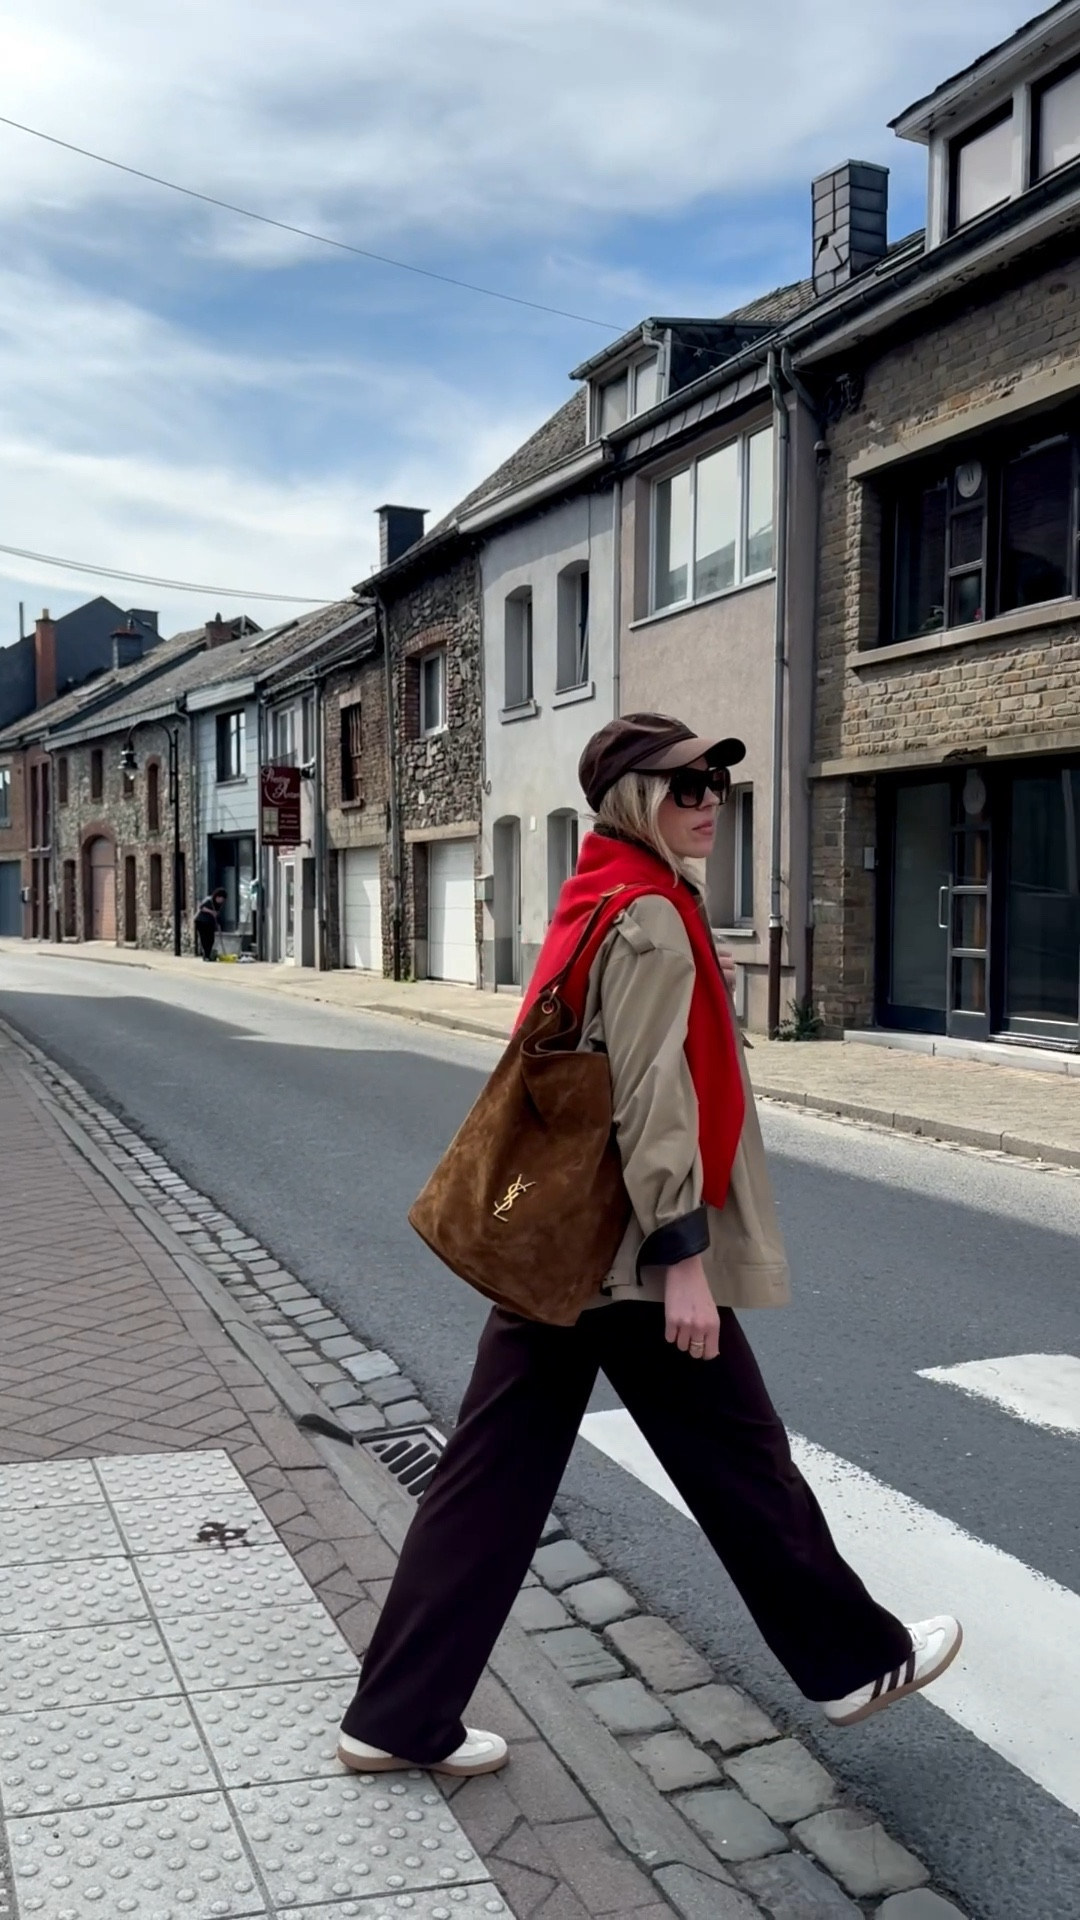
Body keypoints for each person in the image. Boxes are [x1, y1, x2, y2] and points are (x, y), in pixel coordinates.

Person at [337, 713, 962, 1780]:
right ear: (634, 799)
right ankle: (855, 1660)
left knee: (490, 1480)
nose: (709, 799)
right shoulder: (651, 918)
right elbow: (650, 1095)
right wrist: (683, 1256)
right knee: (743, 1463)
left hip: (569, 1254)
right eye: (683, 787)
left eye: (717, 781)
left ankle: (396, 1718)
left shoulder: (599, 895)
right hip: (627, 1257)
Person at [194, 888, 226, 961]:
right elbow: (201, 907)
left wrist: (218, 925)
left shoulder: (219, 905)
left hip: (210, 922)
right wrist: (211, 912)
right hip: (201, 921)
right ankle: (206, 955)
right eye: (221, 899)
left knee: (211, 939)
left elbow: (217, 915)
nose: (221, 901)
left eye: (222, 900)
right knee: (204, 938)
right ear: (217, 897)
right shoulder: (209, 900)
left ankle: (208, 954)